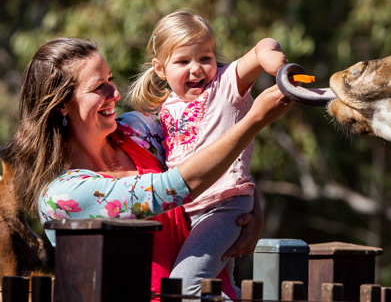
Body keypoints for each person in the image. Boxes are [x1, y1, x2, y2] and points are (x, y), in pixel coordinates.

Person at [4, 37, 292, 300]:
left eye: (111, 79)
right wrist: (254, 120)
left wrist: (248, 202)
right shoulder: (63, 196)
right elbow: (169, 188)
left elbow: (205, 147)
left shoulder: (140, 129)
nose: (115, 93)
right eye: (98, 87)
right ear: (61, 107)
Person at [126, 8, 288, 298]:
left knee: (185, 286)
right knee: (218, 288)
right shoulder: (164, 110)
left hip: (222, 209)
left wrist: (276, 64)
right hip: (188, 214)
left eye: (205, 58)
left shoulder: (225, 87)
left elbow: (262, 47)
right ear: (160, 68)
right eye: (182, 61)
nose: (196, 68)